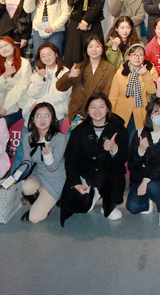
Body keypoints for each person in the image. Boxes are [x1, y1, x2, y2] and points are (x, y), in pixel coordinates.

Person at [60, 93, 128, 223]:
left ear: (107, 108)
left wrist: (114, 148)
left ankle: (107, 202)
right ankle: (94, 192)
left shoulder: (119, 128)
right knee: (77, 206)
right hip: (86, 175)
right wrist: (76, 183)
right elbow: (71, 159)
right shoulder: (78, 131)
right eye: (93, 107)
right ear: (87, 110)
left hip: (109, 175)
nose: (97, 110)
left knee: (107, 179)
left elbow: (123, 158)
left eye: (101, 106)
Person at [125, 97, 160, 225]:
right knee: (133, 207)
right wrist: (140, 151)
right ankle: (149, 200)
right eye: (157, 112)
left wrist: (147, 179)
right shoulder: (140, 133)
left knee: (153, 186)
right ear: (150, 114)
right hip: (142, 176)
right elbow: (132, 164)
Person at [16, 102, 66, 223]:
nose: (42, 120)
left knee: (34, 218)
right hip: (39, 174)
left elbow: (53, 167)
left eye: (47, 116)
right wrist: (15, 176)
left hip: (56, 178)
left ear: (53, 119)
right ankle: (41, 201)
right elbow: (27, 161)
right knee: (27, 187)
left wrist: (48, 156)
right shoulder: (28, 137)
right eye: (38, 116)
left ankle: (49, 200)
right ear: (33, 119)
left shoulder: (60, 138)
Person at [106, 43, 157, 136]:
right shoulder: (120, 72)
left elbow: (152, 90)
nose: (137, 57)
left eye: (140, 54)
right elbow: (113, 96)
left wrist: (145, 75)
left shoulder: (150, 70)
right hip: (122, 113)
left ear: (144, 56)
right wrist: (110, 116)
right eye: (134, 54)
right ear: (129, 56)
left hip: (141, 112)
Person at [65, 0, 107, 65]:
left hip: (93, 23)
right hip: (75, 24)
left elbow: (98, 6)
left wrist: (85, 21)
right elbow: (70, 3)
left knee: (94, 53)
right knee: (75, 54)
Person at [0, 36, 33, 128]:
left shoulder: (24, 63)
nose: (4, 49)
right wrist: (4, 75)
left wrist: (5, 107)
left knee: (0, 125)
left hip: (19, 103)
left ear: (13, 45)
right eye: (0, 47)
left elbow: (21, 88)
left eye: (6, 45)